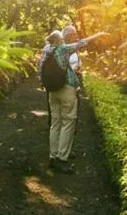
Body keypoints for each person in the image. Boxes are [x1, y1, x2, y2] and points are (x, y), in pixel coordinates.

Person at [38, 28, 107, 173]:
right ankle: (62, 158)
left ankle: (53, 155)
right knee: (68, 122)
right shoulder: (63, 49)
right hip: (66, 89)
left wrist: (44, 83)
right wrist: (99, 34)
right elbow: (82, 43)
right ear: (59, 40)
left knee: (55, 124)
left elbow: (40, 69)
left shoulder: (46, 50)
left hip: (52, 91)